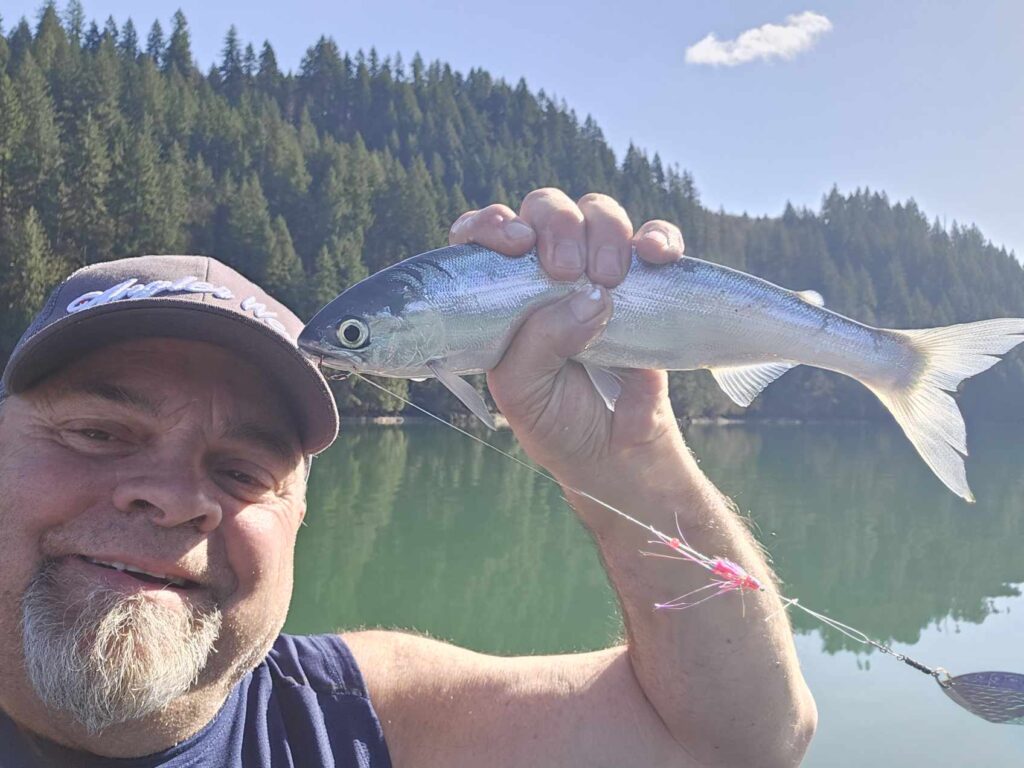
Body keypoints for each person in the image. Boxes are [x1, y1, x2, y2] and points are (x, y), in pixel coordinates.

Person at [0, 189, 816, 767]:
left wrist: (629, 465)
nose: (174, 497)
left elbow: (737, 743)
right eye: (97, 434)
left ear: (300, 515)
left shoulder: (368, 720)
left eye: (243, 469)